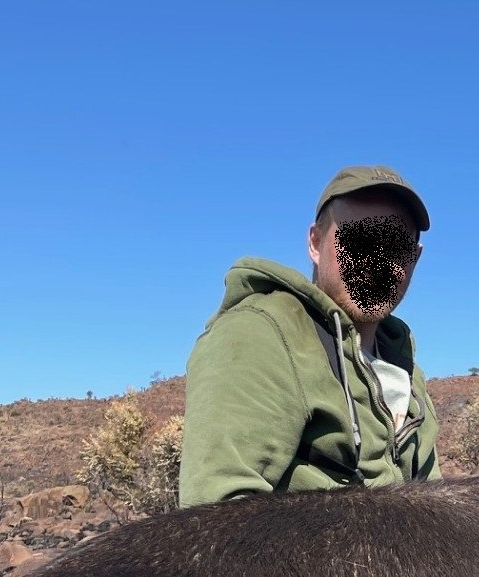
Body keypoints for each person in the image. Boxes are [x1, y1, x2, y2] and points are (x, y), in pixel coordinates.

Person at [178, 166, 441, 508]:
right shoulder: (261, 334)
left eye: (396, 247)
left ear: (415, 259)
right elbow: (216, 523)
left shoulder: (406, 370)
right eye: (360, 240)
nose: (379, 262)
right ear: (315, 243)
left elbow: (434, 505)